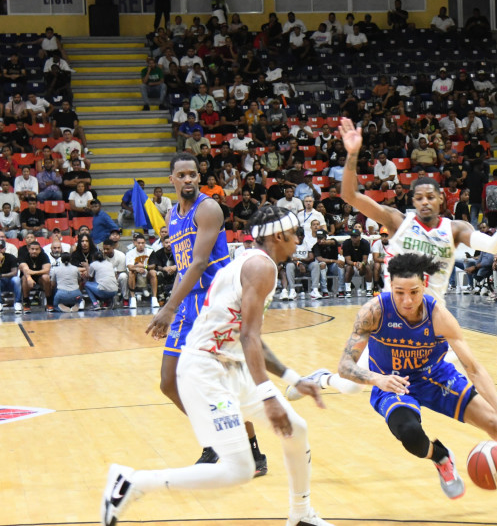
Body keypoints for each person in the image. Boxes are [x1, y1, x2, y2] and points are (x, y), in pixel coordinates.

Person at [288, 118, 497, 472]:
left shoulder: (456, 228)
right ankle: (320, 379)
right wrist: (353, 154)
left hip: (432, 320)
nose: (424, 202)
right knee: (353, 386)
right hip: (390, 318)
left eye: (430, 196)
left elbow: (494, 245)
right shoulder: (397, 221)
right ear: (412, 200)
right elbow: (349, 196)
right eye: (417, 197)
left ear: (441, 198)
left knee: (479, 383)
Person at [101, 205, 333, 526]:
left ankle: (300, 514)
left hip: (229, 364)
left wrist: (293, 378)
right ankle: (133, 483)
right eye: (295, 234)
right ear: (278, 236)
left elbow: (247, 338)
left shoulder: (252, 262)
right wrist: (269, 397)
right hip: (205, 368)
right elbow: (250, 336)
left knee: (297, 430)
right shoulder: (260, 268)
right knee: (238, 470)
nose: (298, 240)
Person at [336, 253, 497, 513]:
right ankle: (439, 455)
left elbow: (474, 368)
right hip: (392, 382)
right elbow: (345, 366)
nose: (407, 300)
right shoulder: (374, 311)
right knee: (410, 435)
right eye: (399, 292)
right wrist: (377, 378)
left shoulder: (438, 315)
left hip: (435, 376)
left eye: (414, 292)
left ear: (424, 286)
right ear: (389, 286)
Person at [144, 153, 267, 473]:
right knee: (169, 382)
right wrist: (172, 304)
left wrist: (168, 308)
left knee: (220, 385)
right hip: (188, 304)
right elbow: (185, 266)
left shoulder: (208, 208)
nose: (188, 180)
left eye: (192, 175)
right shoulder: (172, 215)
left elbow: (199, 264)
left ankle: (250, 451)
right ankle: (218, 437)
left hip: (215, 303)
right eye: (181, 175)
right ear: (171, 180)